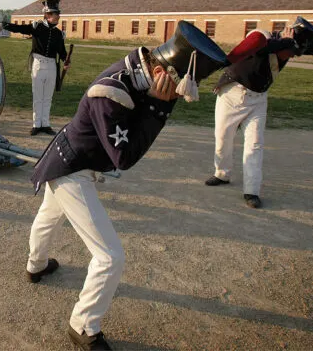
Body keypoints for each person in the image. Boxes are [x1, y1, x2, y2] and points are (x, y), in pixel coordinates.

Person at [24, 21, 264, 350]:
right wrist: (158, 106)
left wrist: (156, 101)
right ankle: (82, 325)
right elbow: (123, 157)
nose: (178, 85)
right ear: (162, 69)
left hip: (69, 159)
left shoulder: (137, 71)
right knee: (110, 257)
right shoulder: (111, 92)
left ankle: (35, 266)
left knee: (49, 215)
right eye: (178, 78)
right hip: (72, 168)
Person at [205, 17, 313, 209]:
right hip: (232, 94)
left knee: (255, 144)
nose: (290, 56)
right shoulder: (261, 35)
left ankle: (252, 191)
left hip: (258, 99)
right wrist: (285, 42)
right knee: (223, 137)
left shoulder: (290, 47)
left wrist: (300, 42)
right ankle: (222, 174)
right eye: (289, 52)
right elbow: (258, 46)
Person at [0, 0, 68, 136]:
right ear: (48, 15)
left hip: (52, 67)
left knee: (48, 97)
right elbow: (20, 28)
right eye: (55, 14)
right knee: (38, 97)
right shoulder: (37, 27)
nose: (58, 17)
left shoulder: (59, 33)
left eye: (58, 14)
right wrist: (5, 24)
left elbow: (62, 51)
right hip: (39, 65)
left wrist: (66, 60)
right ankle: (36, 124)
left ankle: (45, 124)